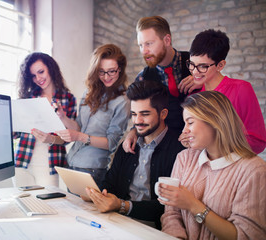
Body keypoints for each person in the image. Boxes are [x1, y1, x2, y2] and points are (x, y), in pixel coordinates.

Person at [159, 91, 266, 240]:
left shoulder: (254, 170)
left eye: (190, 122)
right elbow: (171, 214)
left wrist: (192, 204)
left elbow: (246, 235)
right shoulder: (184, 158)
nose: (184, 130)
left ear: (215, 120)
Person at [85, 80, 184, 229]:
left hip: (155, 228)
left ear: (163, 114)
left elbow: (170, 207)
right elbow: (110, 184)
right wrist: (97, 195)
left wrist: (123, 206)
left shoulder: (179, 151)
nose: (137, 121)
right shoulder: (127, 146)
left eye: (144, 114)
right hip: (119, 222)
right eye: (134, 114)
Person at [179, 29, 266, 154]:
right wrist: (188, 140)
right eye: (192, 64)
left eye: (203, 66)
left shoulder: (241, 89)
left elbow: (258, 141)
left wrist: (215, 145)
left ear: (220, 65)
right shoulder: (194, 95)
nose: (195, 71)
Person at [123, 15, 200, 154]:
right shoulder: (142, 78)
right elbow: (139, 112)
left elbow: (218, 95)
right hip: (163, 149)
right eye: (141, 45)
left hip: (198, 145)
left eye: (149, 44)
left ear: (167, 40)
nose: (144, 51)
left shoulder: (196, 64)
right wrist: (133, 131)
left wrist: (202, 79)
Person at [55, 44, 130, 187]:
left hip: (92, 169)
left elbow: (111, 143)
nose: (106, 77)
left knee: (84, 210)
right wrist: (62, 117)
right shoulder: (89, 93)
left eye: (111, 71)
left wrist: (79, 137)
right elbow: (79, 126)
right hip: (70, 161)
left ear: (120, 69)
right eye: (101, 72)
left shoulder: (123, 101)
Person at [14, 52, 77, 187]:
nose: (38, 78)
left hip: (50, 164)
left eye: (41, 72)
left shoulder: (68, 99)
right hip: (22, 161)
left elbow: (71, 135)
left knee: (47, 207)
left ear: (51, 69)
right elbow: (16, 133)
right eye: (33, 76)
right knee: (23, 204)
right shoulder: (28, 98)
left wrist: (52, 137)